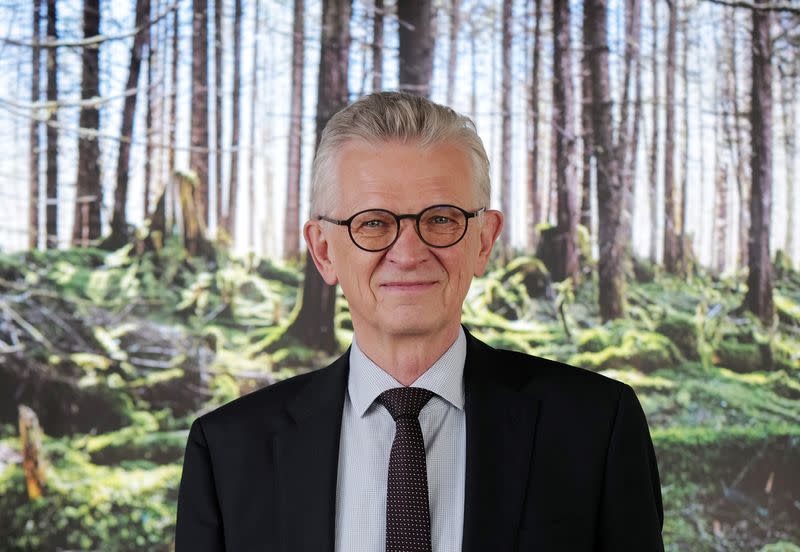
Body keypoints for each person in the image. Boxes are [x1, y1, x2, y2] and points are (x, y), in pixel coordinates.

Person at [175, 91, 664, 552]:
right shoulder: (227, 453)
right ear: (323, 251)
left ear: (484, 240)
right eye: (373, 222)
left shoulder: (596, 428)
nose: (408, 254)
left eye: (442, 219)